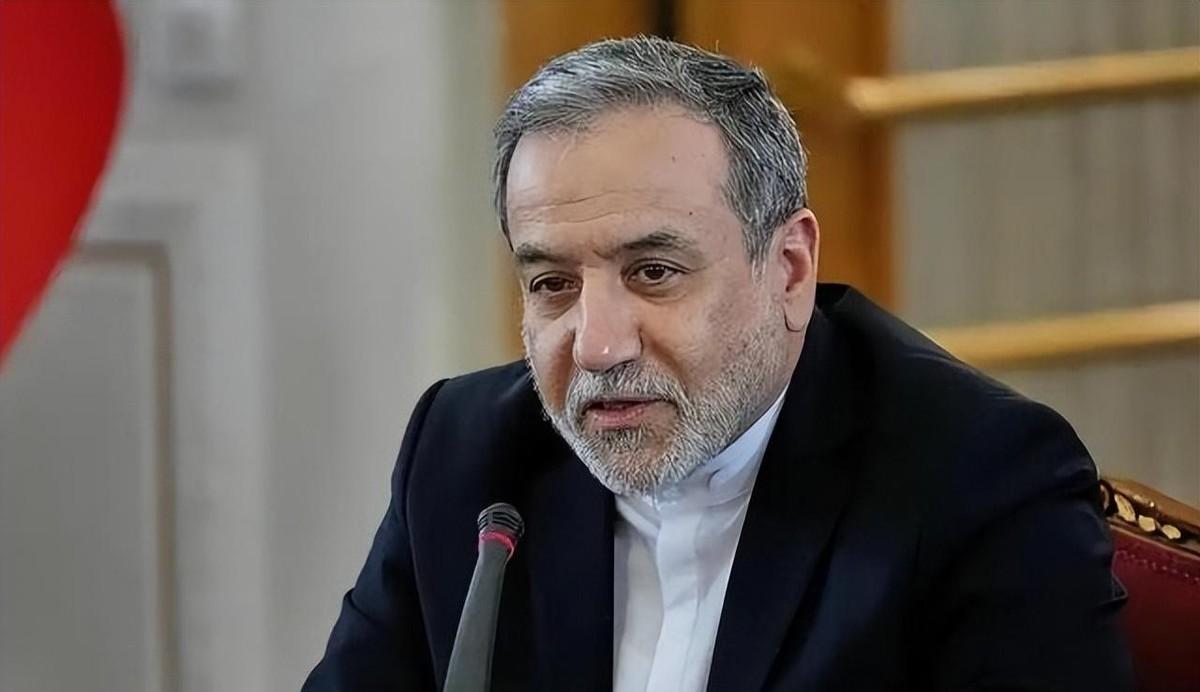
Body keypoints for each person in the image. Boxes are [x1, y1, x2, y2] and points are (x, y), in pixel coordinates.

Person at [303, 37, 1131, 691]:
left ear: (790, 270)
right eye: (553, 284)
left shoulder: (975, 477)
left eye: (653, 273)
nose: (597, 345)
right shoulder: (464, 457)